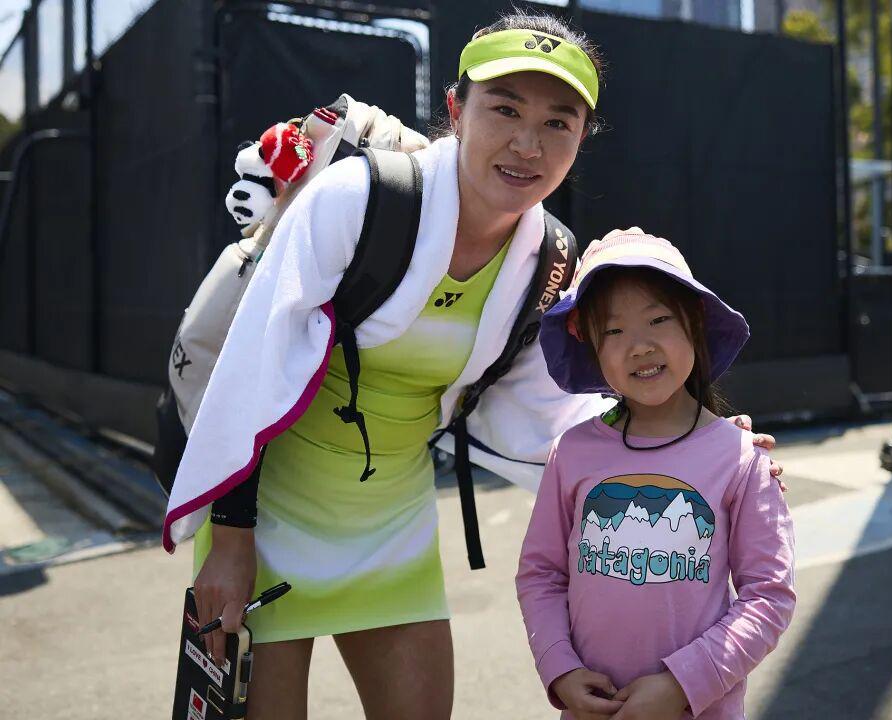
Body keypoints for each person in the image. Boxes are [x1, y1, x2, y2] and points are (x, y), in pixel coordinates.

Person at [162, 12, 780, 720]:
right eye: (504, 109)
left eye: (557, 123)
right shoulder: (356, 198)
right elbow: (252, 365)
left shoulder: (548, 260)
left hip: (391, 524)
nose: (527, 144)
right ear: (457, 110)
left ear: (582, 138)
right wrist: (230, 541)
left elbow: (555, 411)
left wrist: (693, 440)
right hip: (261, 515)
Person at [516, 228, 795, 720]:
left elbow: (768, 596)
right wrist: (559, 668)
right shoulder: (572, 452)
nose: (640, 346)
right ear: (591, 347)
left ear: (695, 323)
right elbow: (541, 574)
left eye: (659, 319)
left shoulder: (742, 458)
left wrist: (683, 684)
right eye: (613, 331)